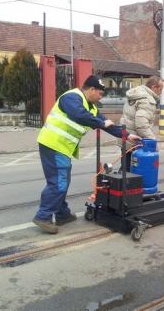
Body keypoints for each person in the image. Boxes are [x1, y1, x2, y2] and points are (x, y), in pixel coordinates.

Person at [34, 75, 140, 234]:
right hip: (52, 144)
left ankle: (62, 214)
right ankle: (43, 216)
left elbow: (107, 125)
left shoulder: (90, 107)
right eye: (100, 93)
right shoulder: (71, 97)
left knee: (62, 180)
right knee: (58, 182)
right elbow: (79, 115)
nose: (101, 96)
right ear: (91, 89)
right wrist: (101, 123)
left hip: (61, 147)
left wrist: (127, 135)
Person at [119, 76, 164, 171]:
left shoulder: (137, 93)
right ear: (154, 87)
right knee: (131, 171)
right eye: (160, 89)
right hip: (134, 140)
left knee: (125, 168)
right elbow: (141, 125)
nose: (161, 92)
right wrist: (153, 142)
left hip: (125, 136)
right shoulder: (147, 100)